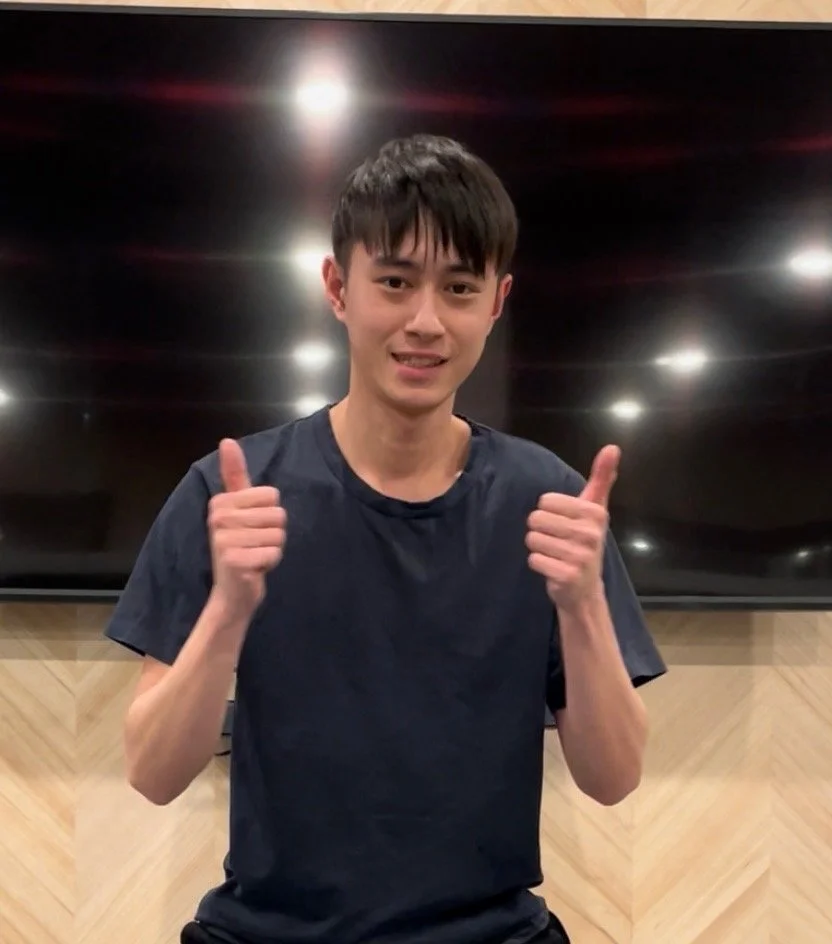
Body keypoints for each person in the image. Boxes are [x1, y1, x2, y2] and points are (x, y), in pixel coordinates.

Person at [105, 133, 666, 944]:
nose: (426, 322)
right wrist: (228, 610)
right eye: (395, 282)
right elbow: (152, 774)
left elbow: (614, 781)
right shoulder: (234, 493)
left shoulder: (548, 500)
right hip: (270, 931)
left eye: (460, 288)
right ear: (338, 287)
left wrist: (581, 609)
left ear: (497, 302)